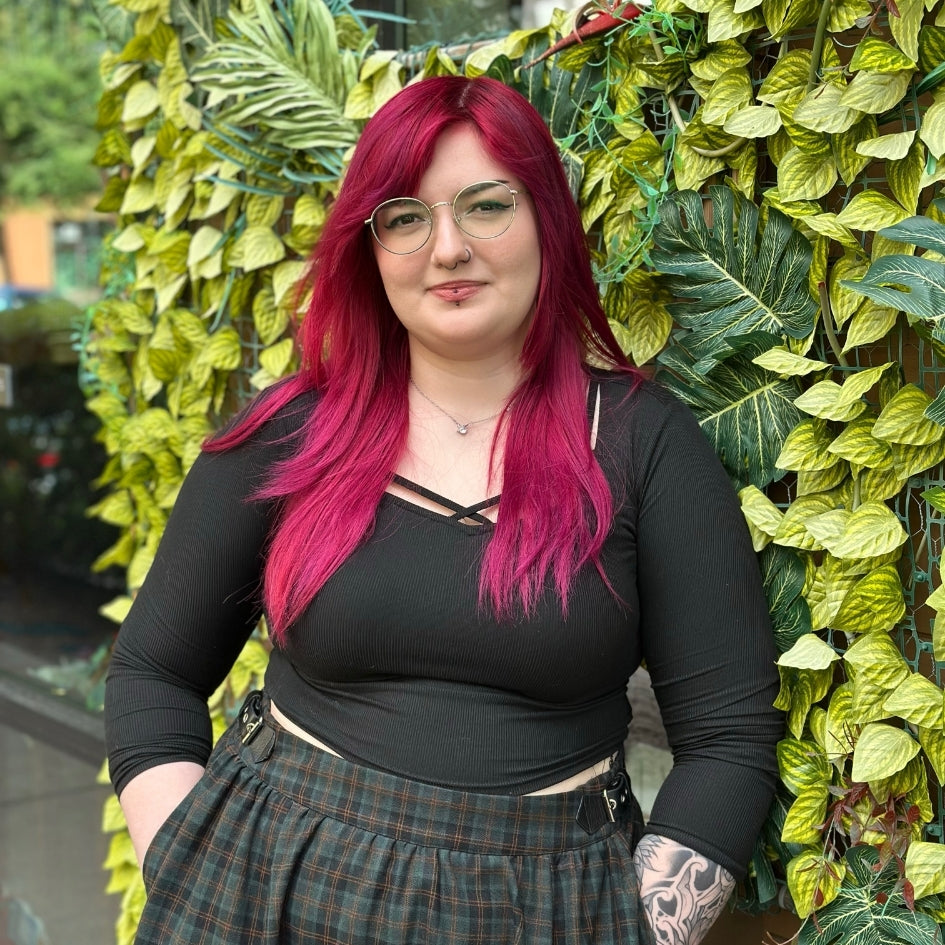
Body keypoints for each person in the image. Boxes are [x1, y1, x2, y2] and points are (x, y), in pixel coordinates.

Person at [104, 74, 782, 945]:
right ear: (371, 247)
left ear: (546, 220)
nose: (448, 248)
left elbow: (728, 736)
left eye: (485, 207)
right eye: (405, 218)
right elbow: (153, 670)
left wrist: (635, 931)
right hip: (268, 881)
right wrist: (192, 867)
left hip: (548, 905)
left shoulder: (646, 445)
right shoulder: (293, 434)